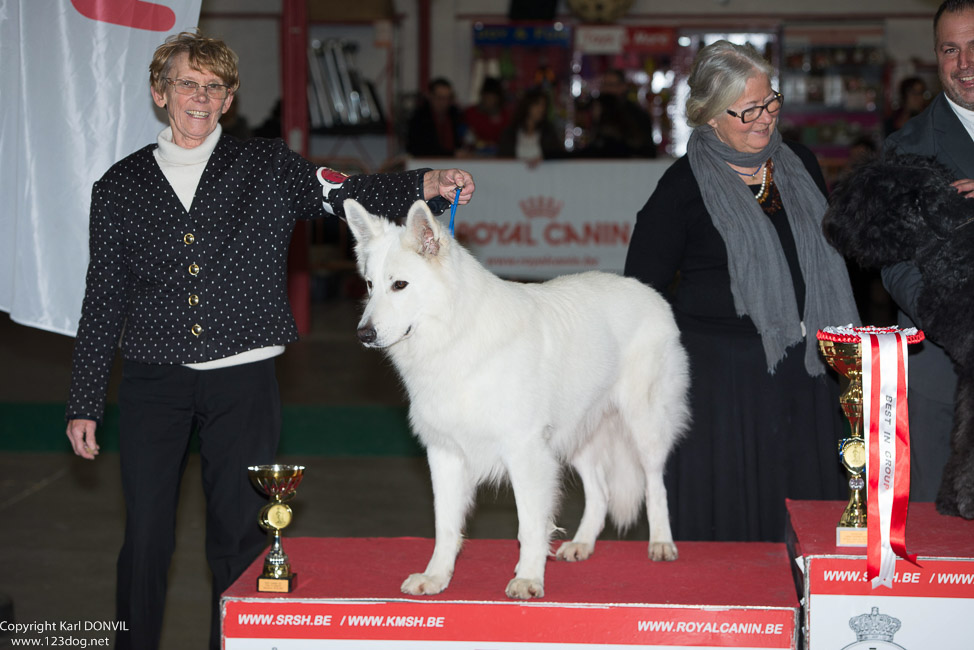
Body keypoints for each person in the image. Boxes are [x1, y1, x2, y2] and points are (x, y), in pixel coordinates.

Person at [64, 30, 475, 650]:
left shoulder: (267, 166)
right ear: (159, 93)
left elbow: (347, 193)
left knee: (239, 539)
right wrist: (84, 400)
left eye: (213, 87)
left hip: (243, 382)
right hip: (153, 381)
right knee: (145, 539)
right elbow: (102, 300)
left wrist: (426, 183)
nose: (199, 98)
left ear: (228, 99)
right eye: (186, 84)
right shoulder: (118, 188)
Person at [624, 40, 860, 542]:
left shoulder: (799, 163)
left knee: (805, 520)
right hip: (720, 388)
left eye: (770, 102)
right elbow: (637, 294)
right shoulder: (681, 188)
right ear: (709, 116)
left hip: (804, 371)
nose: (764, 119)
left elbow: (828, 253)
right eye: (748, 109)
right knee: (731, 526)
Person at [882, 0, 974, 503]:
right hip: (943, 371)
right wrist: (959, 325)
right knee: (940, 544)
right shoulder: (909, 147)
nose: (965, 64)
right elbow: (895, 263)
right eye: (950, 49)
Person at [594, 68, 657, 157]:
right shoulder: (597, 111)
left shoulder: (637, 115)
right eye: (604, 85)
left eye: (611, 85)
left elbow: (646, 149)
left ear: (623, 87)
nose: (607, 90)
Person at [497, 88, 564, 166]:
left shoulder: (548, 132)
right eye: (537, 104)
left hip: (543, 177)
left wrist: (544, 159)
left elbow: (558, 155)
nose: (541, 109)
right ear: (527, 105)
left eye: (544, 105)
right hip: (515, 176)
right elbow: (502, 159)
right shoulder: (510, 133)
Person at [405, 77, 465, 157]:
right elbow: (418, 149)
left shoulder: (455, 115)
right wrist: (451, 154)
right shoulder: (418, 118)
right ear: (430, 96)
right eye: (440, 98)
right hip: (426, 165)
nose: (444, 102)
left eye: (448, 98)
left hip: (453, 163)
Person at [462, 76, 510, 155]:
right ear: (482, 96)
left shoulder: (505, 116)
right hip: (473, 155)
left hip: (499, 157)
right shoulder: (471, 113)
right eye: (487, 97)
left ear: (498, 99)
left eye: (492, 98)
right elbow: (465, 137)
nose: (489, 101)